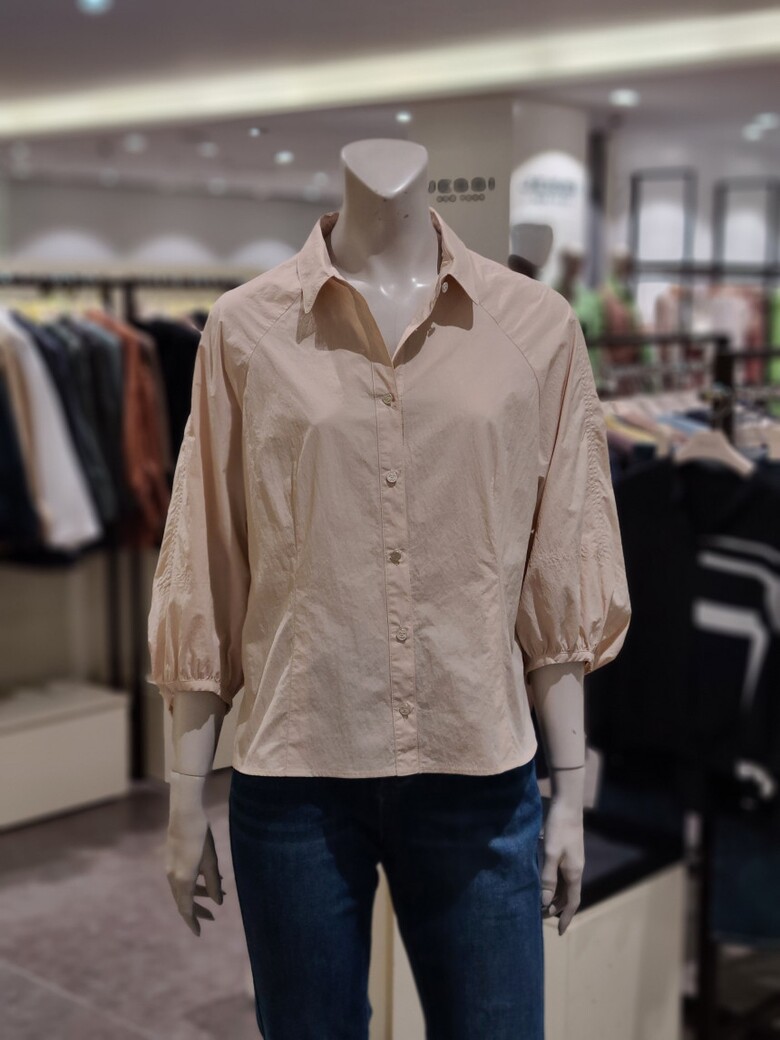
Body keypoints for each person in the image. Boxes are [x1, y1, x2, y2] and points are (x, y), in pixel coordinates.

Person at [148, 138, 630, 1040]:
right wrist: (184, 796)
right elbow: (207, 563)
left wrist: (571, 794)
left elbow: (563, 563)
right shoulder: (245, 329)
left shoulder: (536, 327)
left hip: (479, 775)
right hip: (296, 779)